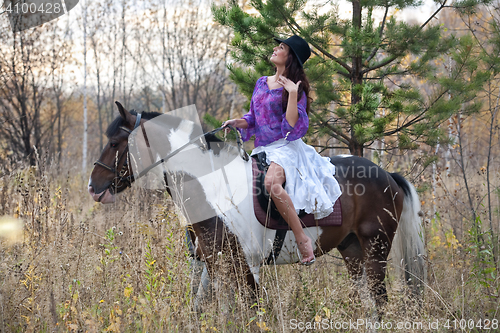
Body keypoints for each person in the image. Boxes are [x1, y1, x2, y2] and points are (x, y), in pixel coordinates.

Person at [223, 35, 341, 265]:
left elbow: (290, 126)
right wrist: (238, 122)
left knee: (272, 185)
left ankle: (302, 239)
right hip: (263, 148)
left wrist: (293, 94)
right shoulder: (261, 82)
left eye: (282, 47)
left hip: (285, 148)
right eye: (278, 45)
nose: (275, 48)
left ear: (291, 57)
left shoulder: (296, 89)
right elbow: (254, 117)